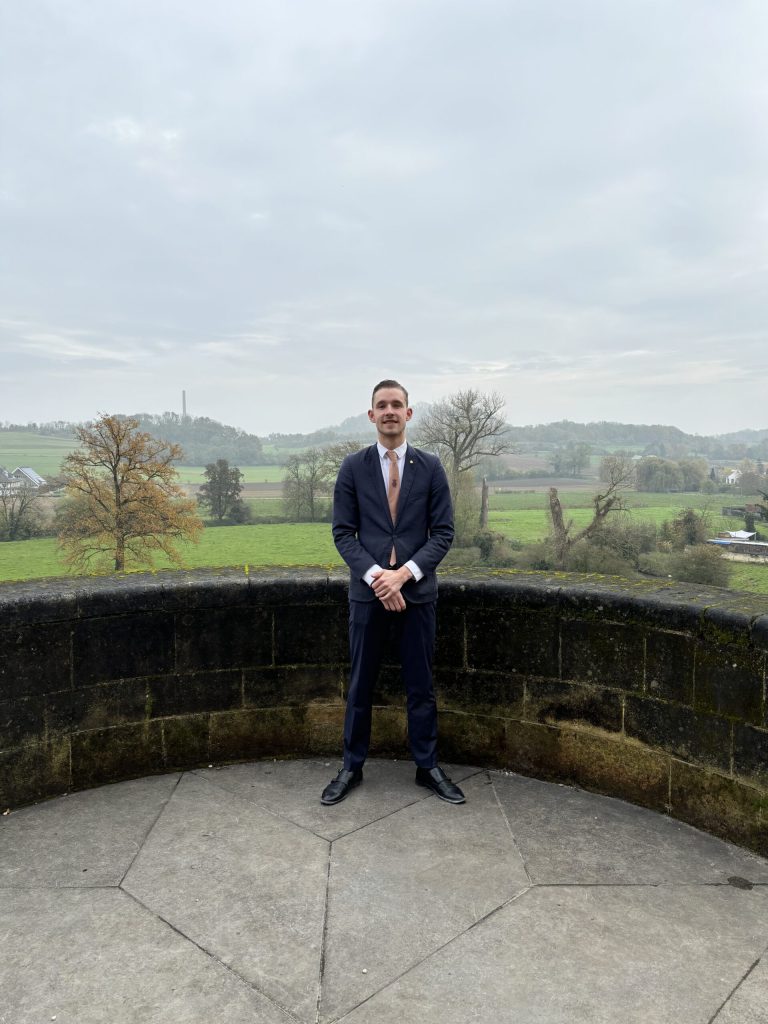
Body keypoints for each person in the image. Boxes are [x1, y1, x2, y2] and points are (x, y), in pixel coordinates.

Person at [321, 379, 465, 806]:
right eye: (382, 405)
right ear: (371, 415)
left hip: (417, 596)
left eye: (396, 404)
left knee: (421, 686)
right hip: (368, 597)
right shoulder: (353, 467)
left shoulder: (431, 467)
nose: (389, 411)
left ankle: (428, 767)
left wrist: (402, 576)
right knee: (360, 685)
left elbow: (443, 533)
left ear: (408, 413)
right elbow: (343, 533)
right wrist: (377, 579)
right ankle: (351, 767)